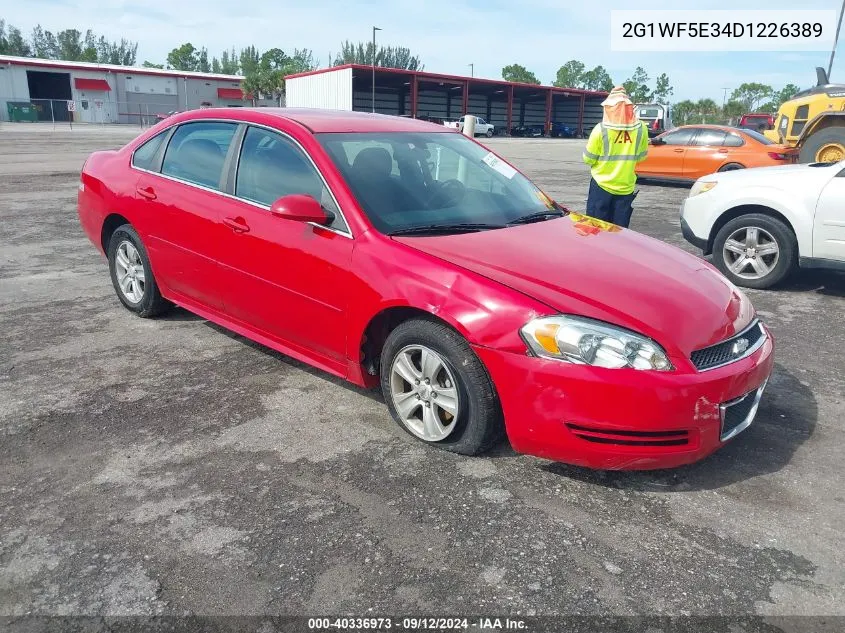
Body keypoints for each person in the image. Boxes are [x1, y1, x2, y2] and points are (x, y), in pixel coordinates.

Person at [582, 86, 649, 228]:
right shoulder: (641, 128)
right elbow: (641, 157)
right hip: (626, 188)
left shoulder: (600, 129)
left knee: (595, 229)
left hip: (601, 186)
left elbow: (588, 159)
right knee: (619, 232)